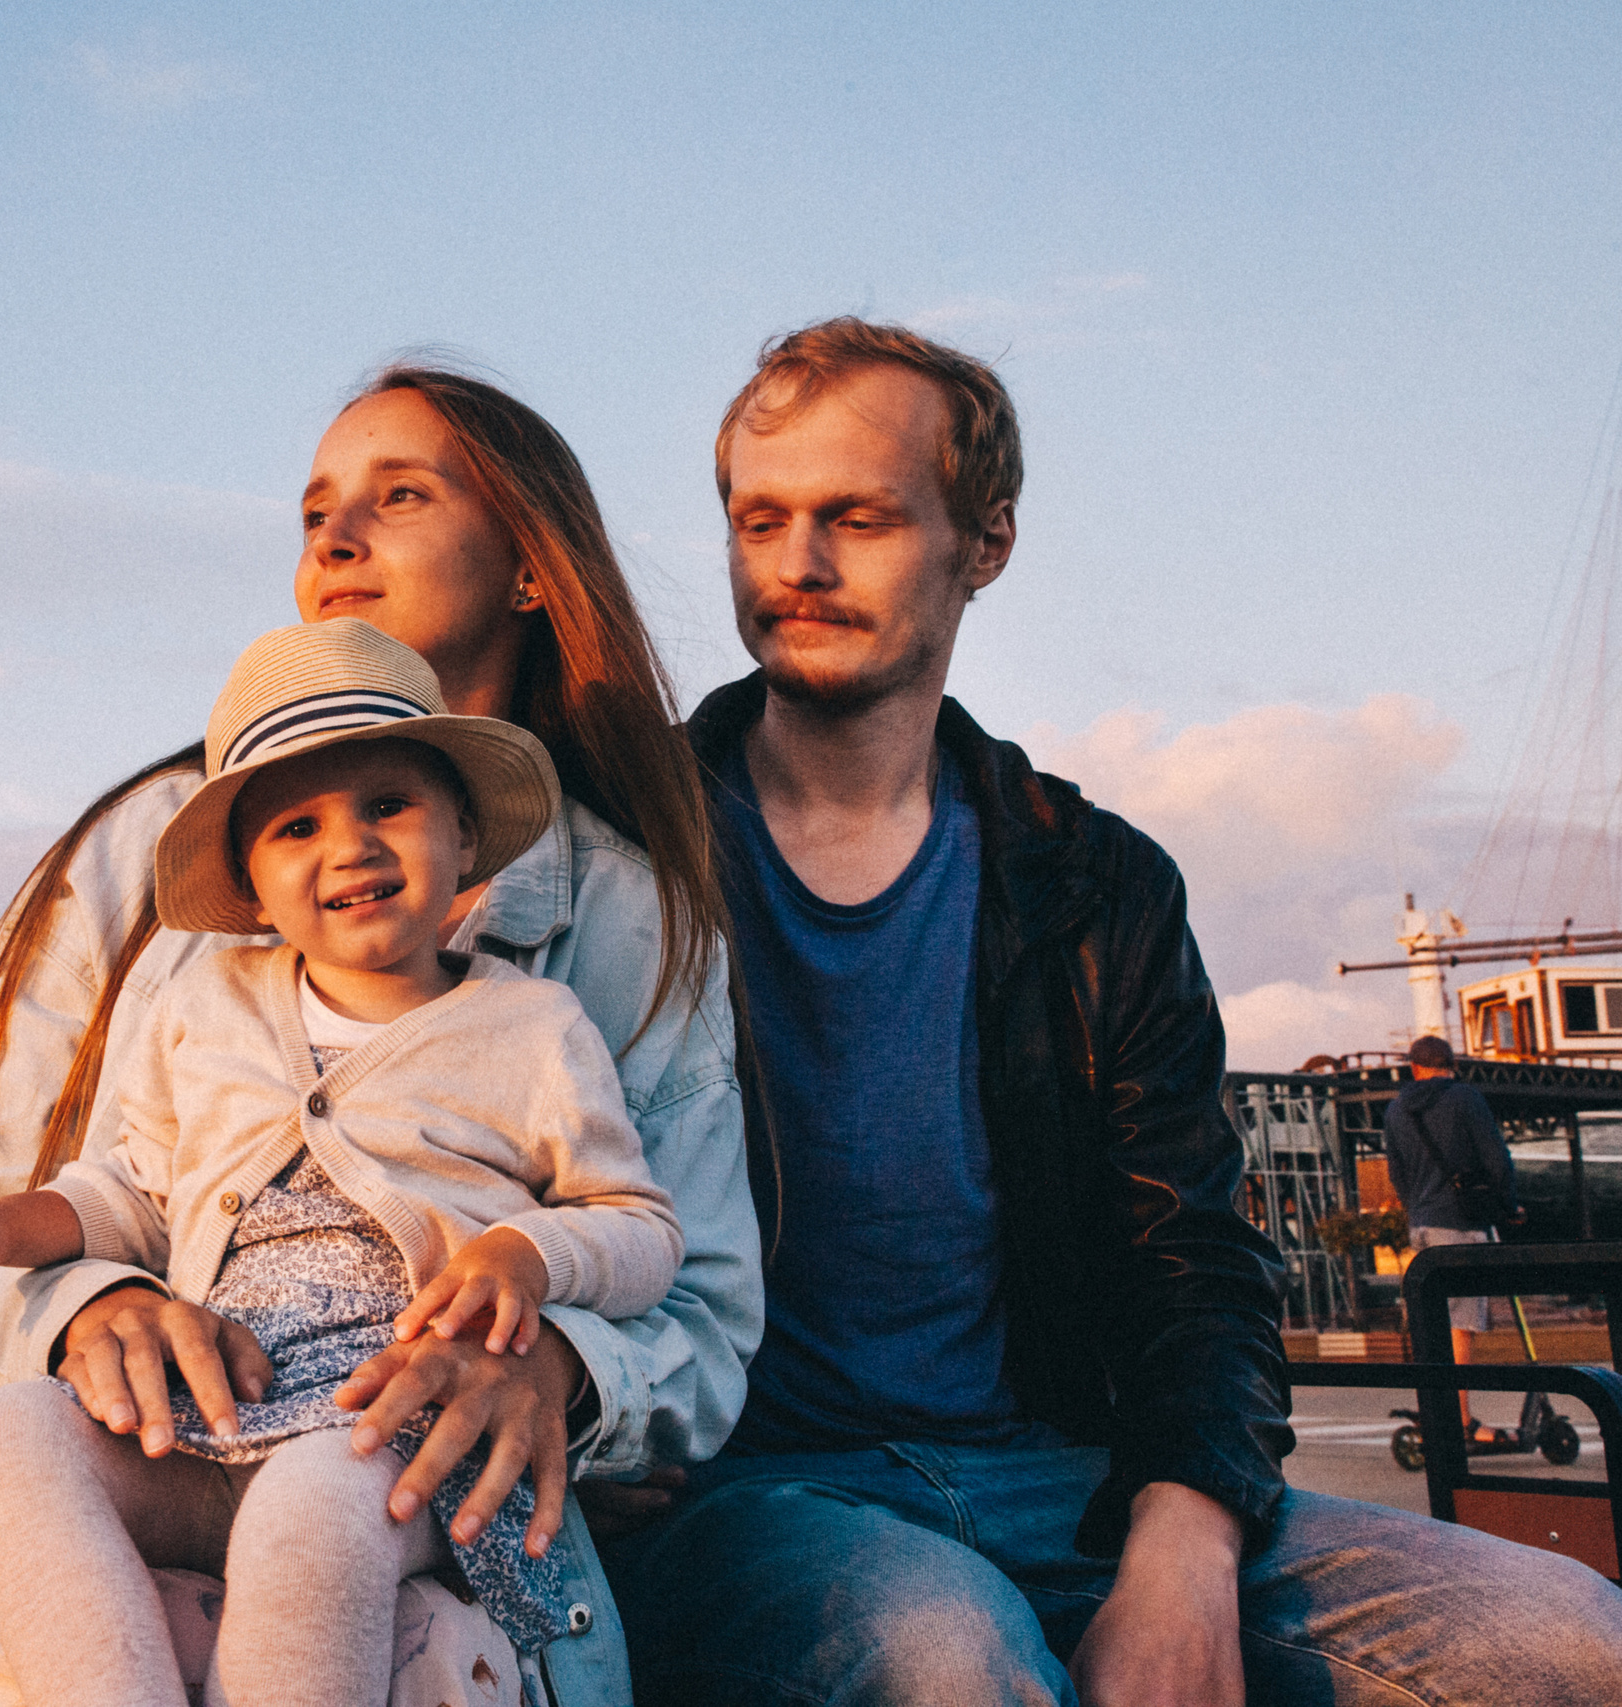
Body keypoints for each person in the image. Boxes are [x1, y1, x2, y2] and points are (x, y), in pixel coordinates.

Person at [602, 316, 1622, 1705]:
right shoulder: (624, 847)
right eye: (759, 519)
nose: (799, 563)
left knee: (1567, 1636)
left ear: (988, 540)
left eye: (859, 517)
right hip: (754, 1502)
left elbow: (1189, 1257)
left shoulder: (1094, 883)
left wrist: (1183, 1542)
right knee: (949, 1654)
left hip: (1058, 1477)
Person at [0, 368, 763, 1705]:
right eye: (315, 510)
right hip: (153, 1455)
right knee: (27, 1495)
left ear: (529, 564)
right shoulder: (132, 859)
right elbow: (32, 1193)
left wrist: (566, 1369)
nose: (335, 537)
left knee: (388, 1606)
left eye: (401, 496)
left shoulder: (618, 929)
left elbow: (695, 1298)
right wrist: (89, 1302)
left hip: (387, 1469)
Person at [1384, 1031, 1522, 1437]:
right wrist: (1508, 1206)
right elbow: (1496, 1159)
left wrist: (1417, 1207)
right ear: (1452, 1066)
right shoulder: (1465, 1098)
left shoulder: (1395, 1110)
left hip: (1421, 1227)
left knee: (1430, 1321)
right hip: (1461, 1225)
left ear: (1414, 1069)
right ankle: (1459, 1422)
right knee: (1460, 1325)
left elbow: (1397, 1173)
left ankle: (1435, 1410)